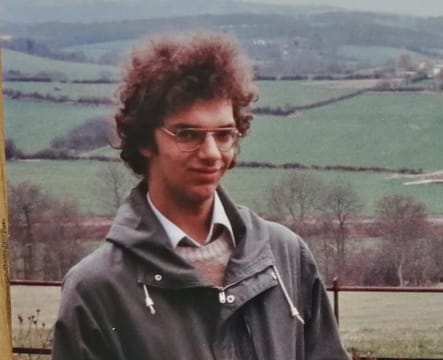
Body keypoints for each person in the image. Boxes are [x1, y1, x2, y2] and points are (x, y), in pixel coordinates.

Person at [51, 32, 349, 360]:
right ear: (144, 142)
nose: (211, 153)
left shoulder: (285, 255)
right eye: (187, 134)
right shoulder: (97, 288)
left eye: (223, 134)